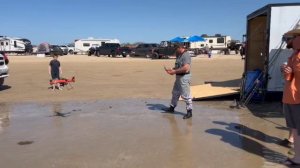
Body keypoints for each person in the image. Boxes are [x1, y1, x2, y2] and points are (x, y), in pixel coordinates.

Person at [281, 35, 300, 166]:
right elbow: (289, 78)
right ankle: (297, 156)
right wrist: (287, 70)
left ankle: (298, 159)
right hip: (291, 96)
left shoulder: (297, 56)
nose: (289, 41)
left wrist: (291, 70)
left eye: (292, 38)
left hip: (296, 97)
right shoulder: (294, 55)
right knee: (295, 129)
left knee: (297, 130)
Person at [163, 44, 193, 119]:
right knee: (175, 93)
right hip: (178, 77)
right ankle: (172, 108)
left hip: (184, 77)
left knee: (185, 95)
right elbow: (178, 67)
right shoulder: (179, 55)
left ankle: (189, 112)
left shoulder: (186, 55)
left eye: (176, 48)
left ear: (180, 48)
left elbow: (186, 68)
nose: (175, 49)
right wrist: (171, 69)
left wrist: (174, 71)